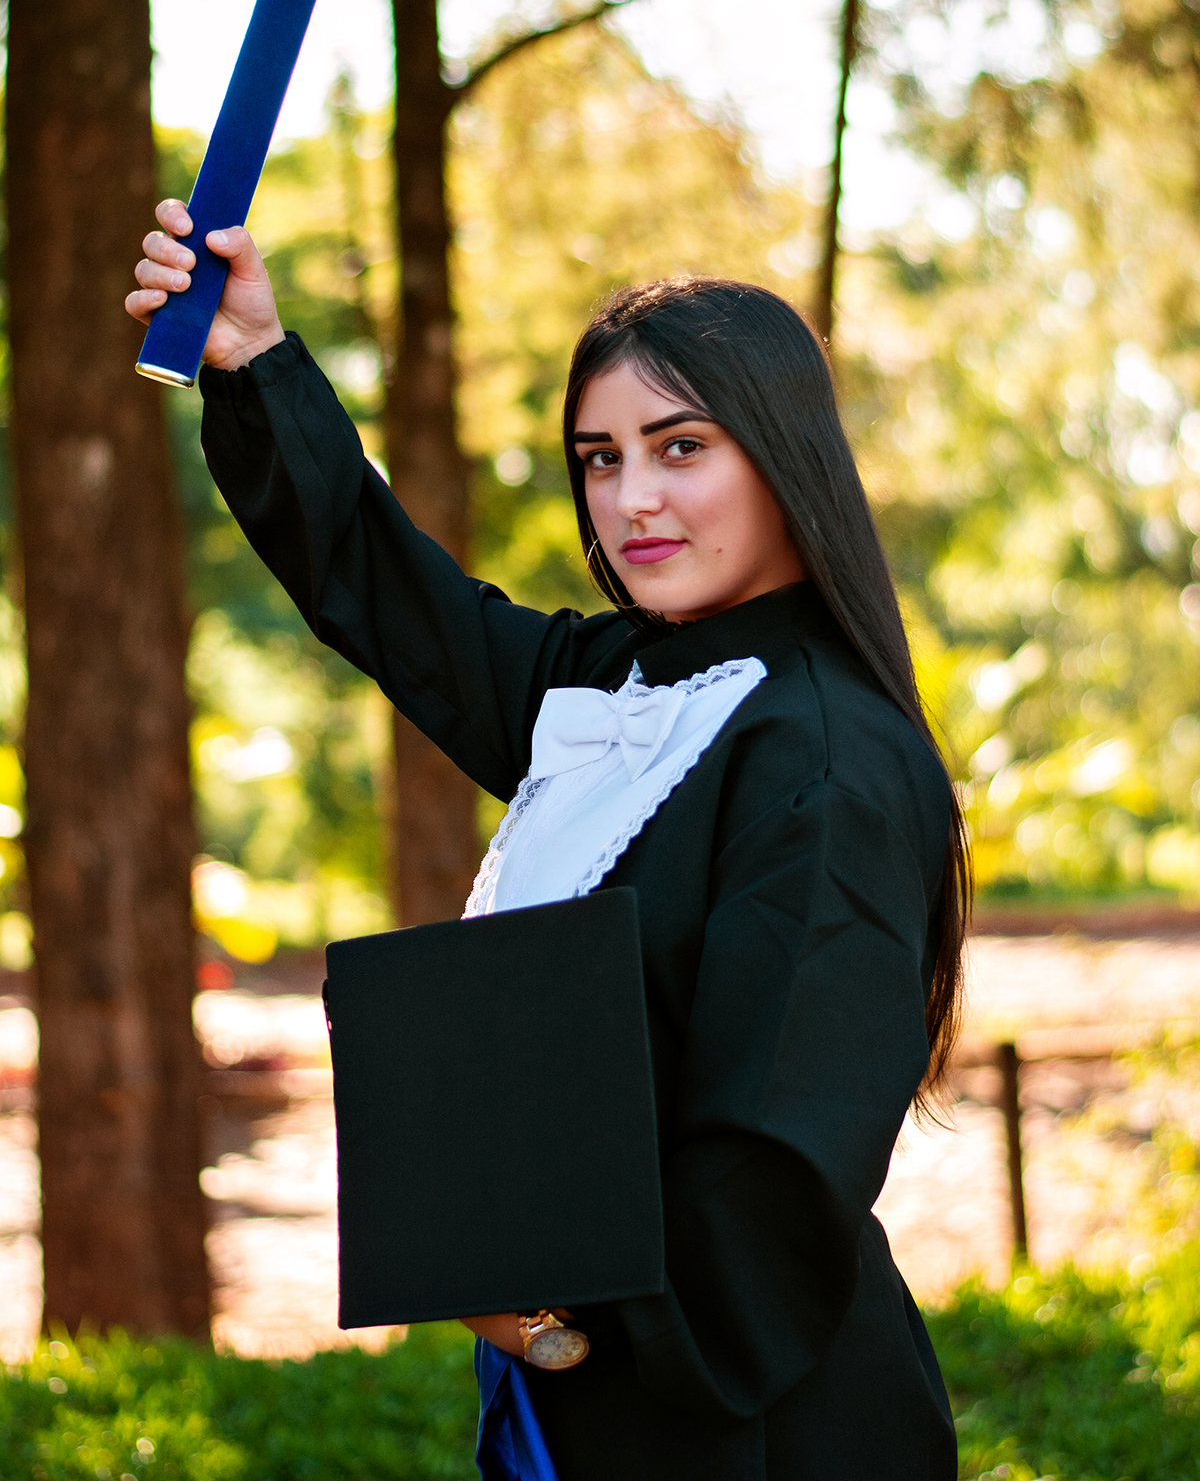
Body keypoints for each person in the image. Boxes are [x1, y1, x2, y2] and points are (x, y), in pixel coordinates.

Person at [129, 203, 969, 1481]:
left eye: (681, 447)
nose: (633, 499)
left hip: (747, 1425)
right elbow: (400, 602)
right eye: (599, 457)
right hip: (574, 1397)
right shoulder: (620, 681)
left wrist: (561, 1332)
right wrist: (256, 361)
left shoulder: (826, 756)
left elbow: (779, 1157)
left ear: (784, 452)